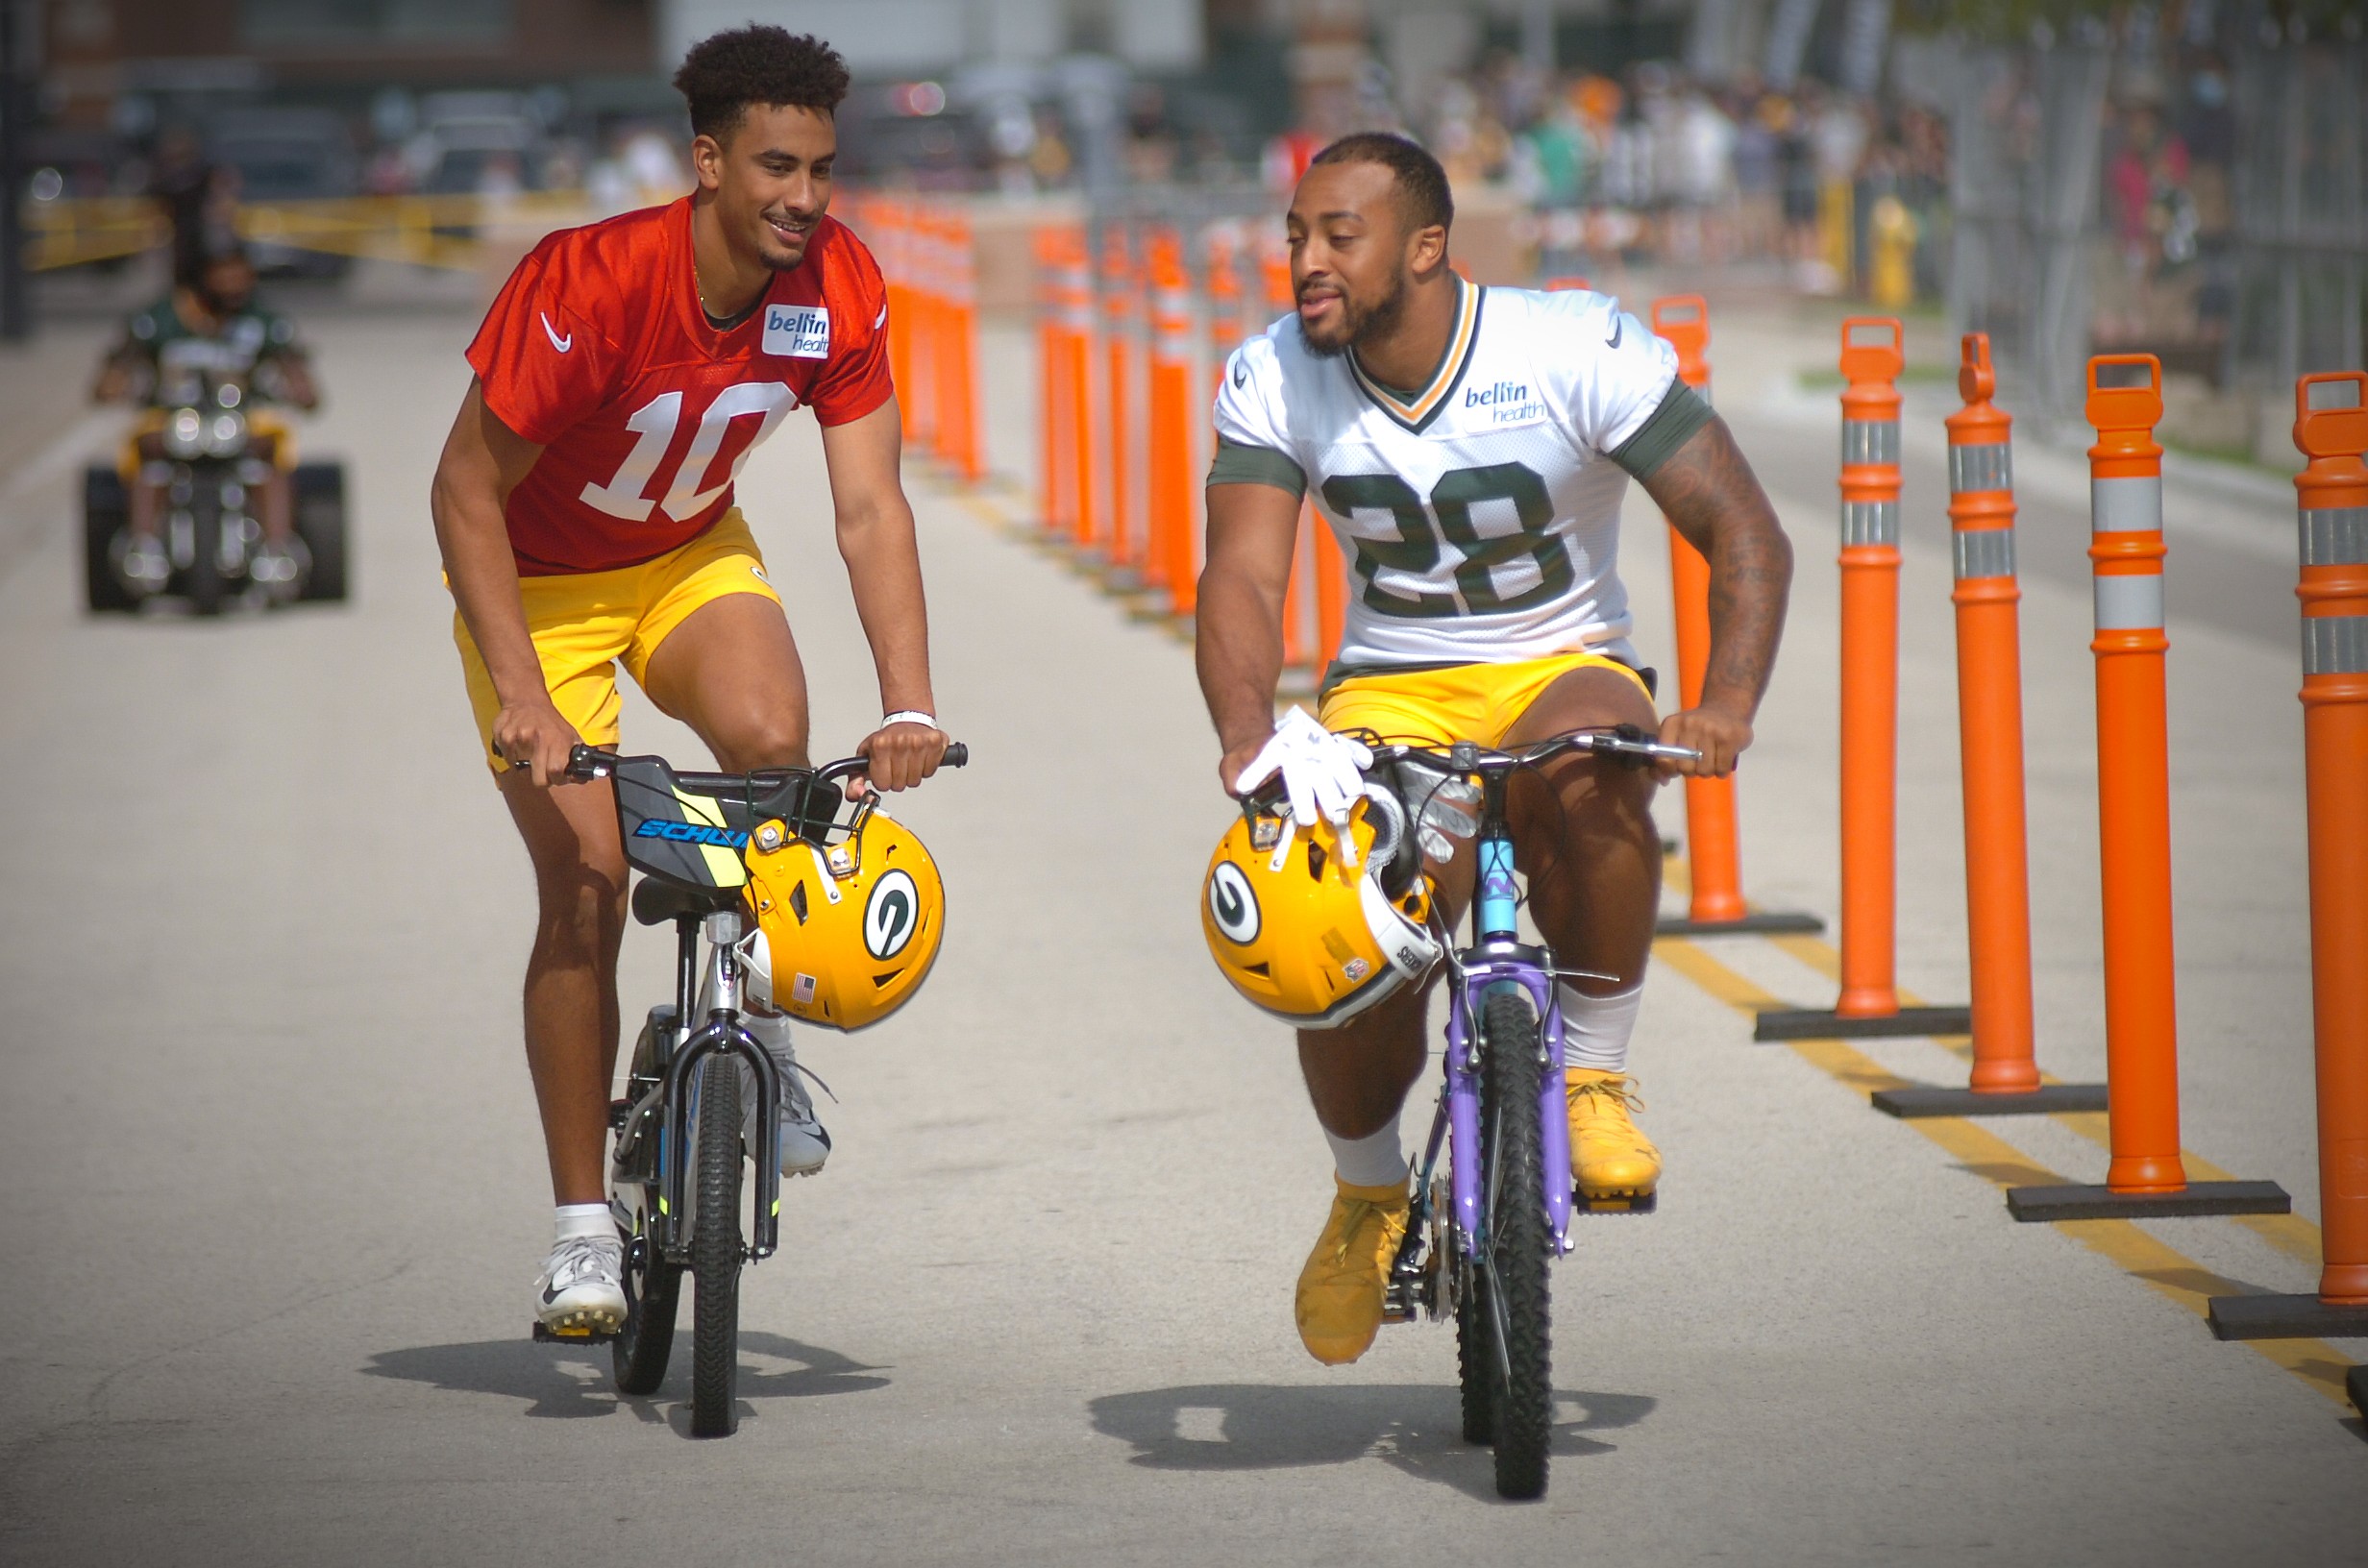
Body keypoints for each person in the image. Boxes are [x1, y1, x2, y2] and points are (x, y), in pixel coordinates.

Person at [1196, 133, 1791, 1366]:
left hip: (1559, 665)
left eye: (1334, 237)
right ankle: (1366, 1194)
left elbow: (1739, 525)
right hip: (1392, 692)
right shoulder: (1273, 372)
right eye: (1295, 234)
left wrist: (1723, 703)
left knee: (1595, 764)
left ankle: (1589, 1078)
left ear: (1425, 248)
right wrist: (1250, 739)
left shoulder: (1570, 345)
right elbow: (1243, 578)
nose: (1304, 259)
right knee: (1330, 899)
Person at [428, 26, 949, 1336]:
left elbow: (872, 507)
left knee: (777, 747)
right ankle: (580, 1235)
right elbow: (463, 491)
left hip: (683, 554)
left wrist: (910, 702)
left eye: (823, 170)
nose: (803, 198)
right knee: (589, 887)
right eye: (776, 166)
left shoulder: (838, 281)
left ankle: (758, 1041)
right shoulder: (592, 279)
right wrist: (520, 693)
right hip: (538, 588)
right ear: (707, 159)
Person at [92, 245, 319, 595]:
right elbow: (119, 366)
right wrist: (114, 386)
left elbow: (295, 369)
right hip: (174, 418)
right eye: (224, 277)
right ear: (200, 280)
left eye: (241, 277)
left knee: (273, 446)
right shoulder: (158, 320)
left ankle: (277, 548)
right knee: (145, 447)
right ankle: (144, 544)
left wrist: (301, 390)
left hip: (240, 419)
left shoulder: (262, 322)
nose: (234, 286)